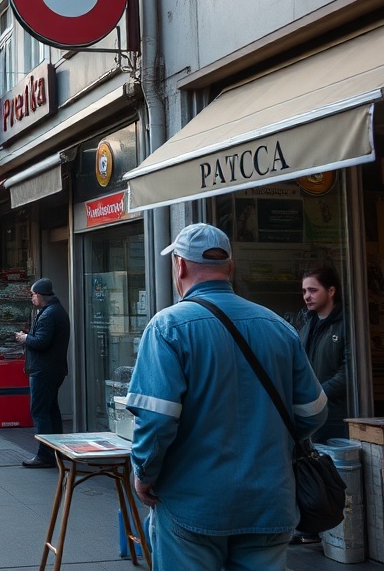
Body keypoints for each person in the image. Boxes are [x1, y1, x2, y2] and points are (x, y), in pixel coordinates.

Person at [126, 223, 328, 570]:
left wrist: (143, 475)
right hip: (269, 500)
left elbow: (157, 421)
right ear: (230, 268)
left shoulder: (167, 328)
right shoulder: (279, 327)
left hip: (194, 503)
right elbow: (314, 413)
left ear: (181, 266)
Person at [292, 266, 348, 545]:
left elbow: (351, 370)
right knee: (310, 469)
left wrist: (319, 394)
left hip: (336, 413)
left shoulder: (346, 322)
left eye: (312, 290)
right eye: (304, 291)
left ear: (331, 291)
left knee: (328, 472)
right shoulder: (307, 322)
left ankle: (328, 529)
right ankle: (311, 527)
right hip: (310, 411)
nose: (307, 296)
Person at [14, 278, 70, 468]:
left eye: (32, 295)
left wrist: (25, 338)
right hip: (53, 369)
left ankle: (45, 454)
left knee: (40, 411)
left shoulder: (49, 314)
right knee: (51, 410)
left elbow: (41, 342)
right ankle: (57, 450)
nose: (32, 298)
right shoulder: (55, 311)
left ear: (40, 295)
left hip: (43, 370)